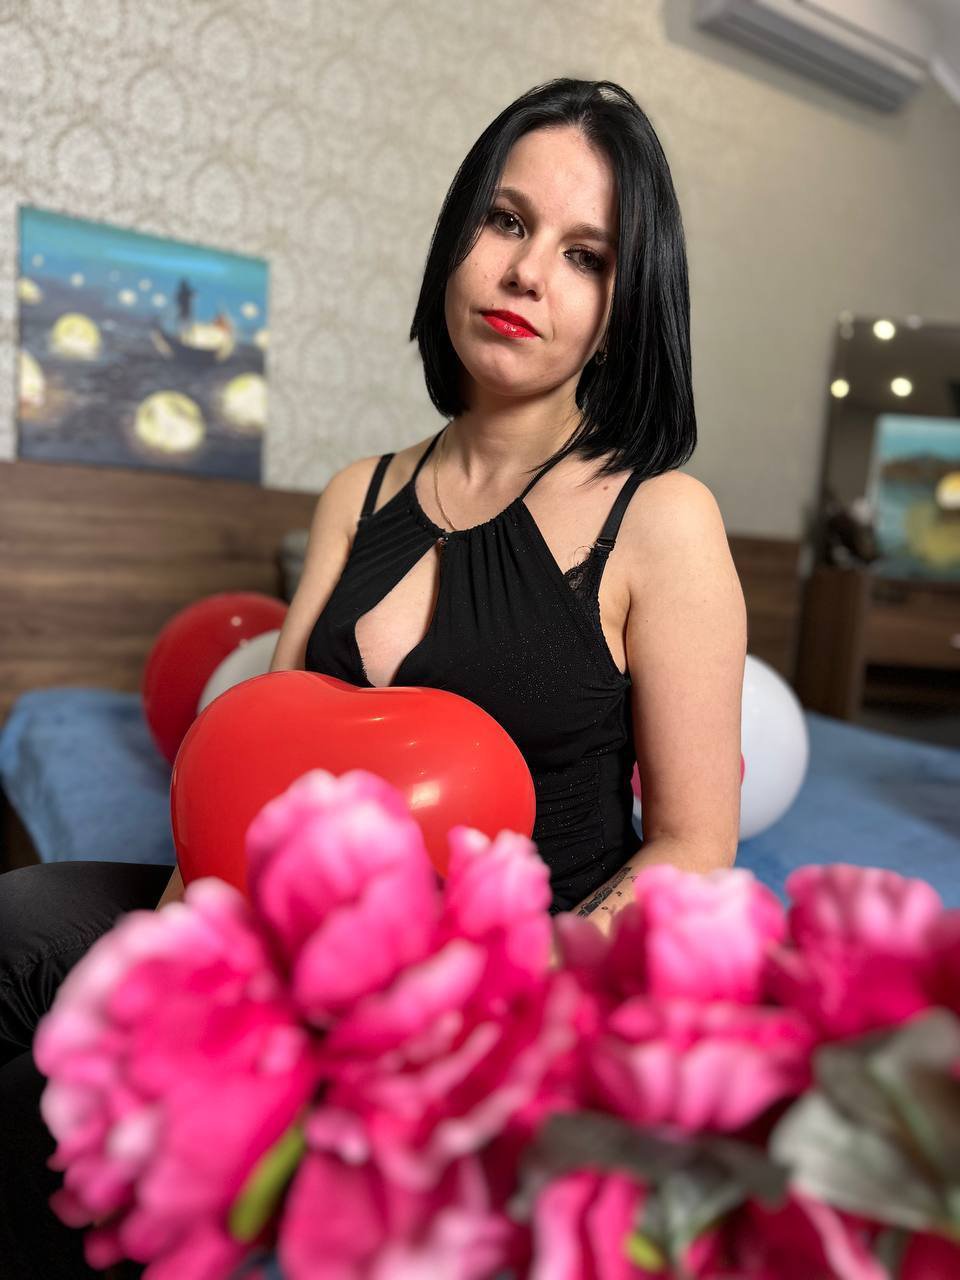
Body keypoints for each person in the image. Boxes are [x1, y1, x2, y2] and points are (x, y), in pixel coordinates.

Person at [0, 77, 746, 1277]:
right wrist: (191, 925)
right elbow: (258, 747)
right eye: (505, 221)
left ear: (625, 302)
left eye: (585, 254)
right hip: (286, 936)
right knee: (21, 922)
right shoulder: (361, 490)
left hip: (498, 991)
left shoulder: (662, 519)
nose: (526, 274)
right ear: (458, 236)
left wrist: (520, 992)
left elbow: (696, 842)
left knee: (83, 1117)